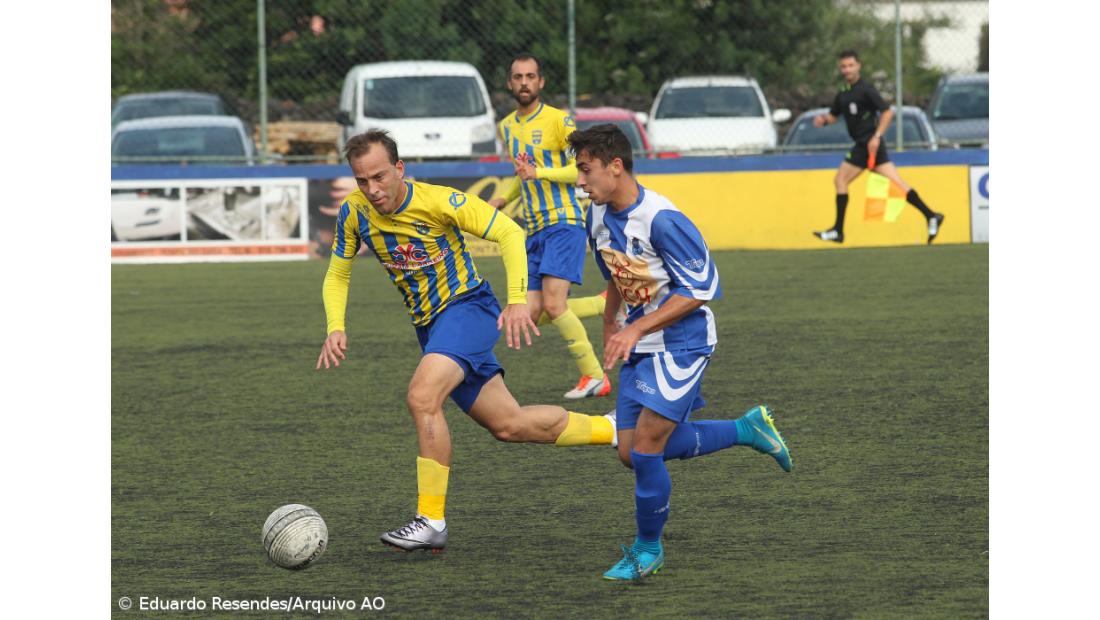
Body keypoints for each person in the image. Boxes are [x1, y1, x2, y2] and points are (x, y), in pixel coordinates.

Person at [316, 130, 617, 553]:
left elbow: (509, 232)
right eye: (362, 180)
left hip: (467, 309)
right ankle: (614, 428)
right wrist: (335, 326)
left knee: (422, 397)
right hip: (431, 328)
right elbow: (337, 272)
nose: (373, 189)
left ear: (400, 169)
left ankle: (431, 520)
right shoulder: (354, 212)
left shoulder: (441, 201)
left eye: (380, 177)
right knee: (509, 425)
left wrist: (517, 301)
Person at [567, 124, 793, 581]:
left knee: (646, 449)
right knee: (629, 452)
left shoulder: (662, 220)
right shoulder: (597, 216)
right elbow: (616, 275)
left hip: (682, 344)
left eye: (586, 170)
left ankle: (647, 550)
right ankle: (746, 429)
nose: (579, 181)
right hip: (640, 342)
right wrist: (612, 324)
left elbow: (701, 289)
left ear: (616, 166)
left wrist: (636, 328)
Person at [488, 53, 611, 400]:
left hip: (563, 222)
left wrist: (538, 172)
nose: (524, 82)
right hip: (534, 230)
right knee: (529, 314)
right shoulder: (506, 126)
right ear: (509, 83)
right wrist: (504, 198)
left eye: (530, 76)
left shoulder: (559, 120)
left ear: (541, 82)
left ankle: (595, 376)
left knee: (555, 305)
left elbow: (581, 168)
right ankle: (603, 305)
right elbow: (523, 175)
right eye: (518, 77)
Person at [812, 49, 945, 245]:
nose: (847, 70)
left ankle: (838, 231)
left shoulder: (866, 90)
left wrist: (876, 136)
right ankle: (931, 215)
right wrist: (823, 120)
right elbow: (833, 116)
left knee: (840, 180)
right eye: (844, 66)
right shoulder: (843, 93)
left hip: (868, 144)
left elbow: (887, 112)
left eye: (851, 65)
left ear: (859, 66)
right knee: (897, 184)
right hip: (867, 145)